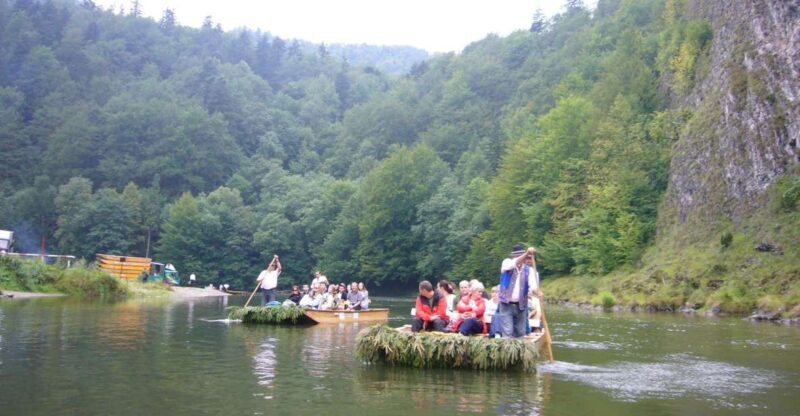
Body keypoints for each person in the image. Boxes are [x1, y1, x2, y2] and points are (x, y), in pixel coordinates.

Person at [498, 244, 543, 338]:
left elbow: (533, 286)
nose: (520, 258)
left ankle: (519, 351)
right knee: (508, 331)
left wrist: (538, 292)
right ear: (514, 257)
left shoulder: (529, 270)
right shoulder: (506, 263)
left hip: (521, 304)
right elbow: (514, 263)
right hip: (506, 303)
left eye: (521, 256)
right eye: (517, 256)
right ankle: (507, 350)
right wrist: (527, 253)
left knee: (520, 332)